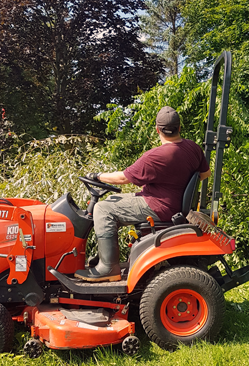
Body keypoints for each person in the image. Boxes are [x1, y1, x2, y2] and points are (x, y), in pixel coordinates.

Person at [75, 107, 211, 282]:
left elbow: (123, 178)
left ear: (157, 129)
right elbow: (205, 174)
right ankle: (104, 256)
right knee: (111, 199)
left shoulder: (156, 156)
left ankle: (108, 268)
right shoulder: (193, 148)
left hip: (159, 206)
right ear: (179, 128)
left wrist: (97, 176)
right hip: (171, 203)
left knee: (102, 208)